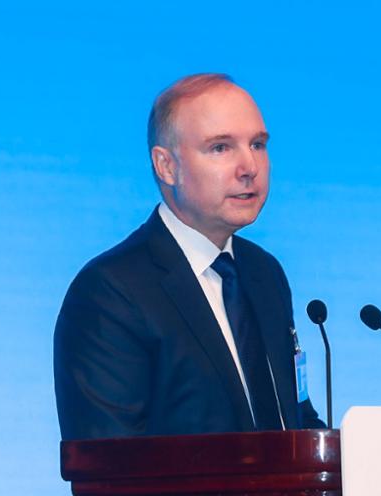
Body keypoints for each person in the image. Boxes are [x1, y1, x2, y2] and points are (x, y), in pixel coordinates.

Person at [54, 73, 324, 440]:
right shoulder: (111, 292)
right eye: (221, 148)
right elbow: (109, 457)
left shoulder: (264, 272)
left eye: (258, 144)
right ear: (167, 166)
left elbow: (293, 418)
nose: (250, 167)